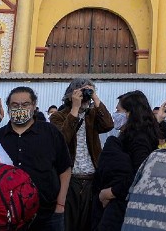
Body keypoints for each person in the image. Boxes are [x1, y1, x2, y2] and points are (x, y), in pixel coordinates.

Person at [0, 86, 71, 231]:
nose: (20, 108)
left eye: (25, 104)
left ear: (34, 106)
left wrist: (60, 204)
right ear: (8, 107)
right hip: (8, 216)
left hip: (48, 215)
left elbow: (65, 169)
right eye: (15, 105)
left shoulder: (50, 132)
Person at [50, 78, 114, 231]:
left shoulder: (91, 115)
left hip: (92, 179)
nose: (85, 96)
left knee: (88, 224)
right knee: (68, 224)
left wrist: (95, 98)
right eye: (82, 92)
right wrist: (74, 109)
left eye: (88, 92)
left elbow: (108, 125)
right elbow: (62, 139)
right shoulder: (58, 116)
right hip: (69, 180)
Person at [92, 91, 160, 231]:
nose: (115, 114)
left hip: (123, 204)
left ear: (129, 113)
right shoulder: (129, 134)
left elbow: (140, 173)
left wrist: (111, 192)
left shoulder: (139, 138)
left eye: (118, 110)